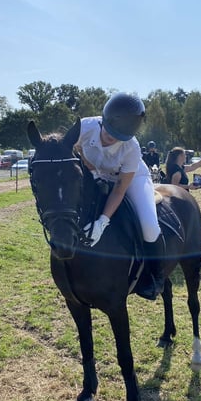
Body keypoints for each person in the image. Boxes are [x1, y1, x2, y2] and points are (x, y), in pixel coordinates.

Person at [74, 92, 164, 300]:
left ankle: (154, 276)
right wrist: (90, 170)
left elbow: (119, 190)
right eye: (108, 129)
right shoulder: (85, 127)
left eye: (118, 135)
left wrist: (103, 222)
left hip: (130, 179)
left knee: (150, 228)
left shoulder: (131, 148)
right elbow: (73, 148)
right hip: (96, 173)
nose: (110, 136)